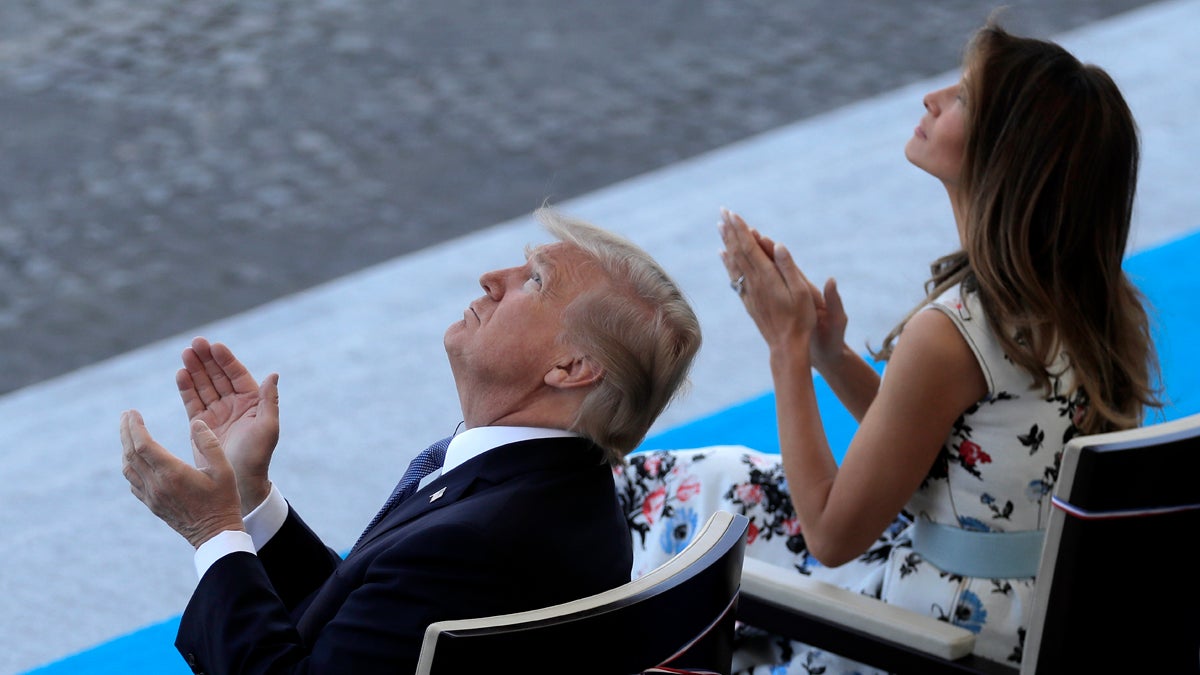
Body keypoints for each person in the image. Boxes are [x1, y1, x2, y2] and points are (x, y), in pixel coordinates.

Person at [617, 18, 1160, 673]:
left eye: (962, 98)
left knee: (694, 497)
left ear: (1006, 154)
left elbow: (832, 532)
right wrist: (830, 355)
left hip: (940, 640)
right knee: (725, 475)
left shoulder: (955, 329)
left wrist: (785, 349)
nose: (932, 98)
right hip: (1039, 611)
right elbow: (958, 447)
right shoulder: (1095, 304)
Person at [120, 208, 702, 674]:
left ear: (572, 366)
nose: (491, 279)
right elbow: (372, 625)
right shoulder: (549, 490)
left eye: (535, 280)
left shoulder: (479, 541)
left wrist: (213, 532)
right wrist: (251, 496)